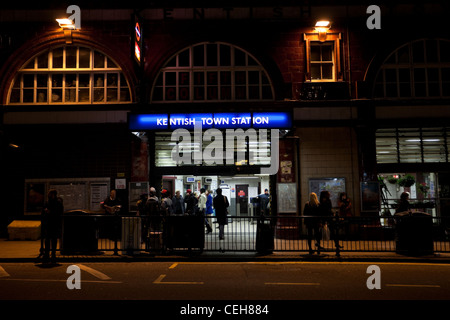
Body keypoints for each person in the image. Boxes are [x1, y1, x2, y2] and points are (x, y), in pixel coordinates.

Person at [41, 189, 64, 263]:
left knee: (53, 239)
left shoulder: (57, 203)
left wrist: (50, 212)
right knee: (48, 239)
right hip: (49, 223)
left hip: (54, 223)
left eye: (50, 194)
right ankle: (47, 254)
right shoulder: (48, 202)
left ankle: (52, 253)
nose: (49, 195)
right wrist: (45, 211)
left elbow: (59, 212)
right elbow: (43, 210)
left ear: (53, 194)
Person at [319, 190, 341, 256]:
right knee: (326, 230)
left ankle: (336, 244)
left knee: (331, 230)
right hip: (326, 217)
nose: (329, 194)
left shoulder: (324, 201)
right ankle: (336, 244)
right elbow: (327, 209)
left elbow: (326, 209)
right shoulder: (326, 201)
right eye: (328, 194)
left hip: (326, 217)